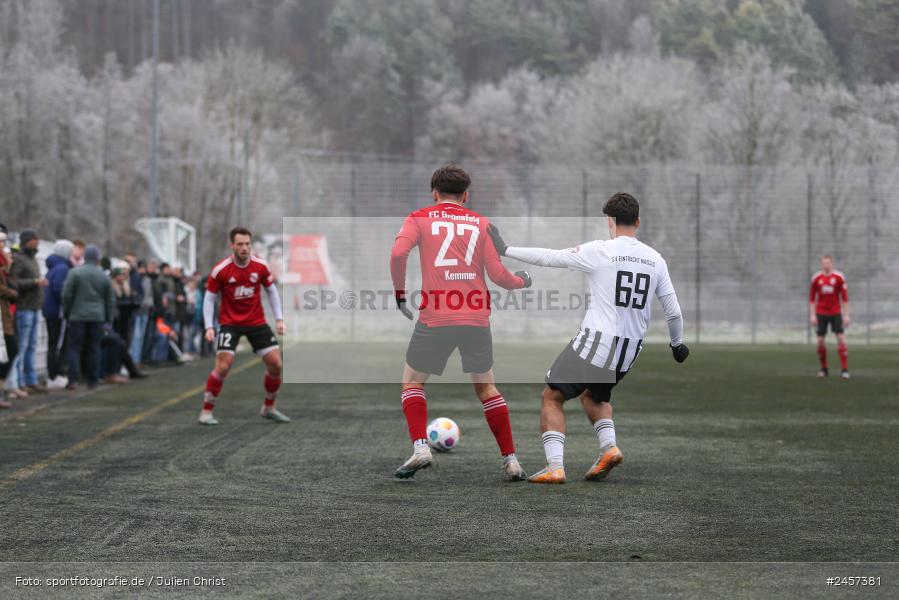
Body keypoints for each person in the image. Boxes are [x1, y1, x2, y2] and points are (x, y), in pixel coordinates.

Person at [489, 192, 689, 483]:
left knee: (552, 396)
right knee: (594, 396)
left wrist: (505, 250)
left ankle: (555, 466)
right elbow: (673, 311)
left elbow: (550, 257)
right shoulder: (655, 259)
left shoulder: (600, 250)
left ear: (610, 221)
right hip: (630, 349)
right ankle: (609, 449)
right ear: (638, 221)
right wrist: (677, 344)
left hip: (598, 342)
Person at [389, 163, 532, 481]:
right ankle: (511, 460)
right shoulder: (481, 224)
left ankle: (421, 448)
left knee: (412, 383)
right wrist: (522, 280)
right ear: (466, 195)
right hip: (475, 318)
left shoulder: (418, 218)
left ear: (435, 193)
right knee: (488, 389)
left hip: (436, 317)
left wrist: (400, 294)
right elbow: (499, 276)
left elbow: (398, 254)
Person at [199, 227, 289, 425]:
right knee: (223, 366)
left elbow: (272, 291)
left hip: (256, 322)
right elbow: (209, 298)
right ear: (232, 246)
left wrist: (279, 319)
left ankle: (269, 408)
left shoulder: (260, 266)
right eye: (240, 244)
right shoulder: (220, 270)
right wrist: (209, 327)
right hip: (230, 323)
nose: (244, 248)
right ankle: (206, 412)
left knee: (276, 364)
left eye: (247, 244)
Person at [62, 245, 114, 390]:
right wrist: (108, 319)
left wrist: (68, 311)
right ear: (97, 259)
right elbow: (110, 300)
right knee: (94, 347)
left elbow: (66, 294)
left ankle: (73, 379)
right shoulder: (103, 276)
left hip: (77, 315)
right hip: (97, 316)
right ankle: (93, 380)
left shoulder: (75, 273)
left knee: (74, 347)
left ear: (85, 257)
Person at [9, 228, 48, 394]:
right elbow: (14, 282)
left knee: (32, 345)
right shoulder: (19, 259)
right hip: (24, 307)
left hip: (34, 307)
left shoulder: (32, 259)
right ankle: (20, 380)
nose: (37, 241)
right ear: (26, 241)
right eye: (34, 239)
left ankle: (31, 379)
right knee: (22, 346)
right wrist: (34, 282)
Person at [809, 255, 850, 379]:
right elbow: (811, 299)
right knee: (820, 341)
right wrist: (812, 315)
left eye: (828, 263)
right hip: (821, 313)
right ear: (821, 264)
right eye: (824, 263)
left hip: (835, 312)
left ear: (831, 264)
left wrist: (846, 315)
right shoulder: (817, 278)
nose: (826, 265)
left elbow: (845, 298)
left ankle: (844, 369)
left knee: (841, 338)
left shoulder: (839, 277)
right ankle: (824, 369)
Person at [43, 239, 75, 389]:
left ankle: (53, 375)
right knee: (58, 343)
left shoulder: (54, 267)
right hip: (58, 312)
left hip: (51, 310)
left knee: (53, 343)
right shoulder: (62, 268)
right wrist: (67, 303)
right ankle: (56, 375)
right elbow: (59, 290)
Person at [0, 228, 18, 408]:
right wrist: (12, 292)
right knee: (9, 351)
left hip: (5, 314)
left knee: (11, 351)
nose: (3, 246)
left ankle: (2, 390)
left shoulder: (6, 263)